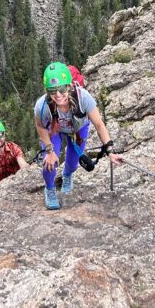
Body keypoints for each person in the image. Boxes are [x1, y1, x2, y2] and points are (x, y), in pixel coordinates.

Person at [34, 61, 124, 210]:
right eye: (52, 90)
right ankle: (49, 189)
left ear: (69, 86)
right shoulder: (42, 105)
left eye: (61, 88)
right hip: (54, 129)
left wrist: (110, 152)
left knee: (72, 162)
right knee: (49, 163)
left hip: (78, 128)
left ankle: (67, 176)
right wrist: (49, 151)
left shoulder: (83, 98)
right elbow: (40, 126)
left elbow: (99, 124)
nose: (57, 95)